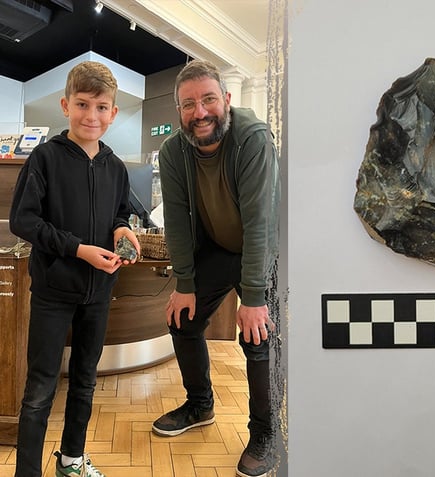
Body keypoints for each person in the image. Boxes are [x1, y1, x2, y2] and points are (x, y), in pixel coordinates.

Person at [10, 61, 140, 477]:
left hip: (99, 293)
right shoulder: (45, 158)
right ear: (66, 105)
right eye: (82, 104)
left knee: (85, 380)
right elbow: (24, 221)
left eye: (102, 107)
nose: (91, 116)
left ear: (113, 113)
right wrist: (78, 249)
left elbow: (121, 212)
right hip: (52, 292)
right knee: (40, 390)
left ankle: (71, 460)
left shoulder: (116, 167)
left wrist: (123, 231)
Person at [152, 59, 280, 477]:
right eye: (189, 104)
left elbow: (260, 221)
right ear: (179, 112)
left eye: (208, 99)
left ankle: (265, 432)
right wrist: (184, 283)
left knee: (259, 340)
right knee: (182, 319)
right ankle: (200, 404)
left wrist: (255, 297)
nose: (200, 112)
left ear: (226, 99)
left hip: (266, 249)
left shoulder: (252, 138)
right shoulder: (173, 152)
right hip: (219, 249)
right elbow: (176, 218)